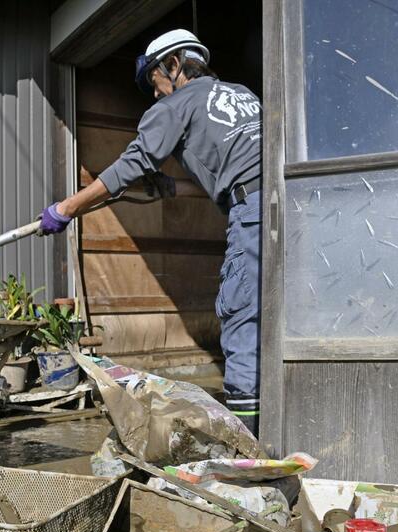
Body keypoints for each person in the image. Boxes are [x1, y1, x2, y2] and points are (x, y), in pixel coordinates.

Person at [39, 29, 263, 434]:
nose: (156, 96)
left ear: (173, 65)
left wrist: (66, 208)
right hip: (292, 203)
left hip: (253, 214)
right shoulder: (243, 94)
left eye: (155, 84)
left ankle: (251, 448)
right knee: (275, 317)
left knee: (241, 317)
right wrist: (164, 176)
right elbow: (228, 161)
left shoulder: (177, 102)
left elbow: (132, 163)